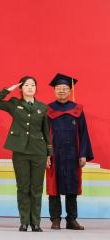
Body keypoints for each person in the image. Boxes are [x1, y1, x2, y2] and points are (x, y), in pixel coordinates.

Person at [0, 77, 51, 232]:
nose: (30, 87)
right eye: (26, 85)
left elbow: (46, 132)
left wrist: (49, 153)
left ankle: (35, 222)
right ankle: (24, 221)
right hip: (20, 151)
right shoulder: (14, 104)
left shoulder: (43, 107)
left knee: (36, 188)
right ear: (21, 88)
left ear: (36, 88)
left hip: (39, 151)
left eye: (33, 85)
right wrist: (8, 89)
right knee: (23, 187)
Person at [46, 73, 94, 231]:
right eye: (58, 88)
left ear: (70, 90)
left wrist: (83, 154)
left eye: (65, 88)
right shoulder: (48, 110)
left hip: (73, 154)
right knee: (54, 188)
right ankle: (55, 219)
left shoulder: (77, 110)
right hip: (54, 154)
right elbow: (44, 134)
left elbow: (83, 133)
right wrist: (46, 154)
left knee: (72, 187)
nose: (61, 90)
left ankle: (71, 219)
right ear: (54, 90)